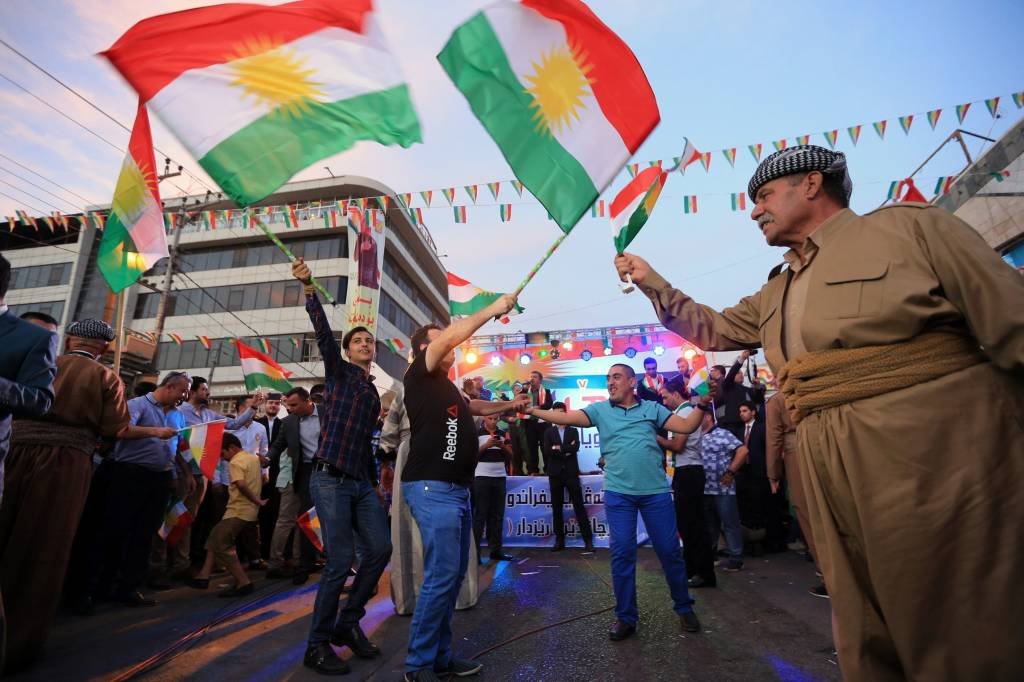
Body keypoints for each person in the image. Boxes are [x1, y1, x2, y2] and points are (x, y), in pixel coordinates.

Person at [615, 144, 1024, 680]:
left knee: (952, 618)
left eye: (763, 195)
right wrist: (653, 281)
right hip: (824, 465)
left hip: (929, 454)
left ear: (811, 184)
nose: (754, 210)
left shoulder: (909, 230)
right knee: (862, 621)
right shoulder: (776, 289)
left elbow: (1010, 322)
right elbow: (711, 327)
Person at [0, 319, 165, 672]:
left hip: (13, 453)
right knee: (44, 546)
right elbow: (116, 429)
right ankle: (18, 643)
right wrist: (153, 431)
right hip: (64, 462)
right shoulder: (106, 377)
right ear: (104, 348)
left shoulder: (44, 362)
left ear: (71, 338)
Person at [526, 364, 707, 641]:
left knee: (670, 552)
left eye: (616, 377)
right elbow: (568, 416)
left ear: (632, 382)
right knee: (622, 555)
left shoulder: (652, 409)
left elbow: (687, 425)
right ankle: (625, 617)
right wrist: (532, 411)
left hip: (655, 493)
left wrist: (703, 404)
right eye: (608, 378)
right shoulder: (600, 410)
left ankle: (684, 607)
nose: (610, 382)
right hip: (619, 494)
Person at [400, 295, 528, 682]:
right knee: (441, 578)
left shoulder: (449, 389)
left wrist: (509, 406)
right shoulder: (419, 376)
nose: (452, 345)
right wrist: (493, 309)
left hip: (456, 490)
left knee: (452, 578)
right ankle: (418, 665)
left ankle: (440, 657)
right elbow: (451, 335)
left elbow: (474, 407)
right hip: (431, 488)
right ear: (425, 348)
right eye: (442, 341)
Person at [292, 258, 392, 676]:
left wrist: (376, 483)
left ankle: (348, 623)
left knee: (380, 550)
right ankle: (316, 646)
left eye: (370, 340)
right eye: (359, 340)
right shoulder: (338, 374)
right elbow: (322, 334)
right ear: (349, 350)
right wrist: (310, 289)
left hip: (361, 481)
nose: (366, 343)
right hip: (329, 479)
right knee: (338, 561)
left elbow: (367, 441)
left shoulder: (372, 394)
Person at [74, 372, 189, 614]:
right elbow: (122, 430)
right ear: (169, 387)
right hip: (129, 475)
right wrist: (155, 432)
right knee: (112, 532)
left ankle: (128, 588)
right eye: (182, 391)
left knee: (144, 535)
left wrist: (176, 475)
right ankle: (90, 590)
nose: (184, 396)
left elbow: (173, 446)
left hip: (159, 480)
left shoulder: (177, 414)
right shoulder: (137, 405)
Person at [179, 376, 263, 571]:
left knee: (189, 519)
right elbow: (176, 442)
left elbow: (234, 425)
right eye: (204, 390)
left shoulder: (209, 415)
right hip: (181, 472)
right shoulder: (179, 412)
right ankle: (164, 563)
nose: (208, 393)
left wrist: (253, 408)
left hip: (201, 475)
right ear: (192, 392)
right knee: (172, 517)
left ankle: (182, 563)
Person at [188, 433, 265, 597]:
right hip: (245, 510)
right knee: (214, 537)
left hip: (238, 510)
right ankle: (204, 575)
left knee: (222, 545)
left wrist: (257, 500)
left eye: (223, 454)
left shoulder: (236, 462)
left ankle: (243, 582)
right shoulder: (252, 458)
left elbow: (241, 484)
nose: (223, 459)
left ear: (232, 448)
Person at [657, 377, 715, 588]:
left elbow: (678, 446)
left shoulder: (684, 413)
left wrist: (655, 438)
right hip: (685, 471)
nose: (663, 402)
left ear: (675, 394)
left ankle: (702, 572)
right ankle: (693, 569)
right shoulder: (681, 413)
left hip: (689, 471)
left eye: (665, 397)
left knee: (693, 524)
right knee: (688, 524)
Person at [766, 391, 825, 597]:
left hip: (797, 454)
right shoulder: (812, 387)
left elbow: (774, 436)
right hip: (827, 446)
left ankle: (828, 576)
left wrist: (773, 472)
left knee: (808, 514)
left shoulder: (778, 400)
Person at [266, 387, 320, 582]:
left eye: (294, 405)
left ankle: (336, 561)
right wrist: (266, 458)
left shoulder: (327, 413)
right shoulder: (288, 422)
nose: (290, 409)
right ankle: (303, 566)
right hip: (303, 472)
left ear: (308, 401)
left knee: (328, 517)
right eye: (288, 405)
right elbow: (278, 445)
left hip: (328, 469)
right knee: (305, 517)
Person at [542, 402, 593, 552]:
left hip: (571, 472)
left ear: (565, 413)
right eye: (555, 412)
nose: (558, 416)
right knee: (556, 508)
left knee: (579, 507)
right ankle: (559, 541)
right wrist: (565, 449)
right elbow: (547, 451)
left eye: (560, 412)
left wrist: (558, 448)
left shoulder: (573, 431)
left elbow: (575, 447)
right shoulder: (548, 432)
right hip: (555, 473)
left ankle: (588, 541)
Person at [699, 411, 747, 572]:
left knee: (730, 524)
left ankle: (736, 558)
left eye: (700, 417)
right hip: (705, 489)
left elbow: (743, 451)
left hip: (723, 489)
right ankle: (711, 556)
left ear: (707, 417)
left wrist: (731, 472)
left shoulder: (723, 434)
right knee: (709, 525)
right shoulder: (696, 436)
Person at [734, 401, 785, 553]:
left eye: (744, 410)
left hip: (761, 473)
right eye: (740, 411)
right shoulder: (739, 431)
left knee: (767, 507)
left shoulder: (763, 429)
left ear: (753, 412)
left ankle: (773, 542)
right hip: (746, 475)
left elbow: (769, 450)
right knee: (750, 508)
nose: (742, 413)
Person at [228, 397, 270, 569]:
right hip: (229, 479)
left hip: (252, 480)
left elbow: (264, 452)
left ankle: (254, 558)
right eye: (248, 407)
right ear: (238, 408)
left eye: (255, 407)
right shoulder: (228, 427)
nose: (253, 411)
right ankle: (230, 559)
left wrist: (264, 472)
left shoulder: (260, 427)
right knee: (230, 520)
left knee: (251, 520)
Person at [472, 414, 514, 562]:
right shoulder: (476, 433)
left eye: (496, 419)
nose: (493, 421)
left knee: (497, 515)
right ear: (484, 418)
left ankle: (496, 550)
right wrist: (486, 446)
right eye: (490, 418)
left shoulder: (503, 433)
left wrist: (502, 445)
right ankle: (475, 553)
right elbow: (471, 455)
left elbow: (511, 455)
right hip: (481, 477)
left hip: (500, 476)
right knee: (480, 516)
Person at [256, 392, 284, 559]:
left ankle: (269, 551)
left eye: (276, 403)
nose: (273, 406)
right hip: (257, 471)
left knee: (273, 512)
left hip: (278, 473)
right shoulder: (256, 423)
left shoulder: (285, 424)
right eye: (270, 403)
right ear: (265, 404)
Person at [520, 370, 552, 475]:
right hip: (529, 422)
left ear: (540, 379)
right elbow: (518, 402)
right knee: (531, 448)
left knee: (545, 447)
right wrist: (524, 389)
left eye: (535, 377)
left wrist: (539, 408)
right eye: (531, 376)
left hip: (543, 423)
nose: (532, 379)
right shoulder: (525, 392)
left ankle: (548, 470)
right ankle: (533, 470)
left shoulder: (546, 391)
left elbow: (549, 405)